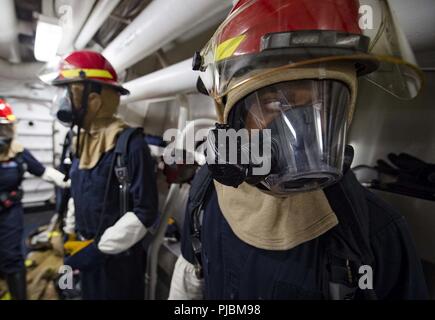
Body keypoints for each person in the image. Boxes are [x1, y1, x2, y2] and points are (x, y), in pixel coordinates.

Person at [169, 0, 429, 300]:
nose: (301, 131)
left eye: (320, 105)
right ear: (231, 118)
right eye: (277, 103)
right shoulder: (208, 194)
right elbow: (189, 283)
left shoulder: (375, 234)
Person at [43, 51, 158, 300]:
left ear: (94, 100)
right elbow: (78, 187)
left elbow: (145, 212)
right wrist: (72, 231)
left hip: (117, 262)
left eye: (68, 93)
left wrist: (97, 251)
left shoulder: (130, 144)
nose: (63, 102)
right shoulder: (81, 140)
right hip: (86, 253)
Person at [0, 99, 69, 300]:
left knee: (12, 256)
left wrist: (71, 182)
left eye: (5, 129)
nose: (3, 135)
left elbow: (43, 171)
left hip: (9, 212)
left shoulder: (17, 152)